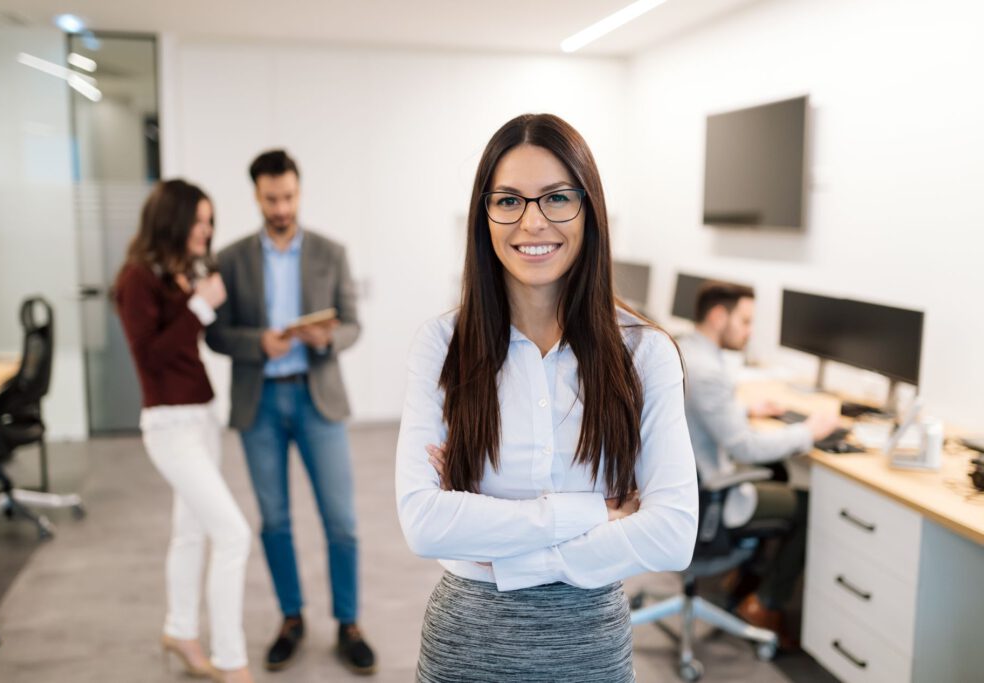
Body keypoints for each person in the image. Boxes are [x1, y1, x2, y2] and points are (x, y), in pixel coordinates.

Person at [395, 113, 699, 682]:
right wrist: (597, 513)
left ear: (589, 209)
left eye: (557, 198)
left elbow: (673, 534)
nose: (533, 222)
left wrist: (510, 550)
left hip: (591, 650)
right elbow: (424, 523)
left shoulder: (645, 353)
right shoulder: (441, 346)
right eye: (508, 200)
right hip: (467, 647)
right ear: (484, 216)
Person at [206, 150, 375, 674]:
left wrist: (328, 338)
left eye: (288, 196)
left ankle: (348, 622)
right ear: (256, 196)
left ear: (299, 192)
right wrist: (258, 342)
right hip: (259, 403)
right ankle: (291, 619)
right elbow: (213, 332)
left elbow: (353, 323)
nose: (281, 207)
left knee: (342, 521)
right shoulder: (230, 259)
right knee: (274, 521)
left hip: (316, 396)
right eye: (271, 198)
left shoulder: (330, 251)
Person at [113, 179, 254, 683]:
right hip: (169, 424)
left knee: (191, 532)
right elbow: (148, 354)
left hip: (200, 416)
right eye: (198, 221)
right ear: (171, 221)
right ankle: (233, 662)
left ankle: (180, 630)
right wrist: (199, 307)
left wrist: (199, 299)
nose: (207, 230)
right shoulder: (136, 278)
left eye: (210, 221)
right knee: (234, 535)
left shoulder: (179, 273)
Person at [677, 281, 839, 646]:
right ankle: (764, 604)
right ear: (719, 317)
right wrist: (810, 431)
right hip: (708, 497)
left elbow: (703, 412)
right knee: (811, 507)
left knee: (780, 475)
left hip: (689, 482)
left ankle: (745, 577)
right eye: (746, 322)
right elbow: (746, 447)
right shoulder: (708, 370)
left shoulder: (686, 350)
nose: (750, 333)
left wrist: (746, 409)